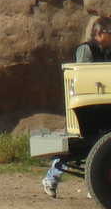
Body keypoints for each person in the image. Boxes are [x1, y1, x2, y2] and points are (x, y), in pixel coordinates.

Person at [42, 16, 111, 198]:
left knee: (100, 149)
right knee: (81, 146)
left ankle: (97, 185)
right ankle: (51, 178)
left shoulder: (108, 51)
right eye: (110, 32)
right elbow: (84, 77)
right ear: (100, 33)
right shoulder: (86, 50)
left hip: (103, 107)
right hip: (87, 109)